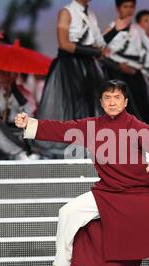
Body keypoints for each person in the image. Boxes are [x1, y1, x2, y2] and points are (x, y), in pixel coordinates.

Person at [15, 80, 149, 266]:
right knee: (68, 212)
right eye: (107, 98)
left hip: (140, 192)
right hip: (107, 192)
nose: (112, 102)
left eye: (117, 98)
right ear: (101, 102)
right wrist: (29, 123)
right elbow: (61, 129)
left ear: (125, 102)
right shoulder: (92, 127)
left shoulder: (137, 127)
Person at [34, 0, 126, 158]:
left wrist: (115, 30)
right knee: (69, 105)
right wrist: (94, 53)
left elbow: (98, 44)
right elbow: (64, 44)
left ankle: (88, 146)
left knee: (89, 105)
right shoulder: (66, 12)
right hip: (69, 65)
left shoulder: (91, 14)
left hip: (88, 66)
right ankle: (66, 147)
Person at [102, 0, 149, 128]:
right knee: (124, 108)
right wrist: (118, 66)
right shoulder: (111, 28)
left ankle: (147, 139)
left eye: (131, 7)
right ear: (118, 9)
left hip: (136, 73)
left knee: (143, 105)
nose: (129, 10)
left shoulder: (138, 29)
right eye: (125, 6)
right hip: (117, 74)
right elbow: (100, 51)